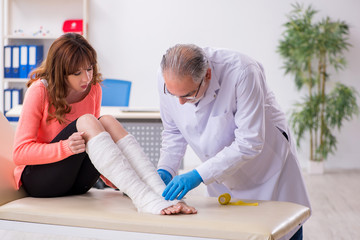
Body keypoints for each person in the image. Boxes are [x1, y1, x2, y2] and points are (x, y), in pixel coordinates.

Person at [12, 33, 196, 215]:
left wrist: (123, 181)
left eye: (89, 69)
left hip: (75, 183)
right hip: (40, 182)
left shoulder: (93, 89)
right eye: (77, 73)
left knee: (106, 121)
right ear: (60, 72)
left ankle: (157, 191)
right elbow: (19, 154)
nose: (86, 78)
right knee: (87, 121)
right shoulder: (40, 91)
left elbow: (99, 145)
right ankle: (143, 197)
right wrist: (65, 147)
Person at [156, 44, 311, 238]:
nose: (179, 102)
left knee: (283, 225)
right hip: (221, 168)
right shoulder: (168, 78)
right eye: (173, 94)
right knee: (231, 228)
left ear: (208, 76)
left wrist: (197, 175)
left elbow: (250, 141)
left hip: (266, 163)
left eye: (187, 95)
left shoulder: (243, 72)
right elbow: (173, 131)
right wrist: (166, 169)